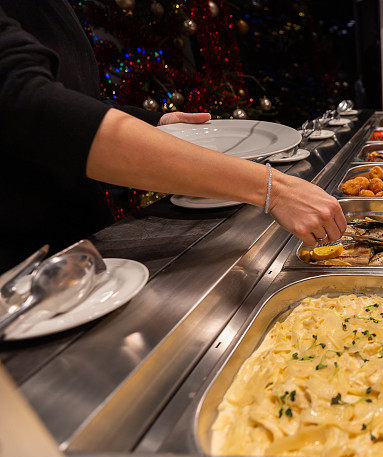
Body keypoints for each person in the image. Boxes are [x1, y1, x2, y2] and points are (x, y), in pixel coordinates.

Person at [0, 0, 345, 271]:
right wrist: (273, 188)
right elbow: (29, 107)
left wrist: (155, 123)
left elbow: (71, 98)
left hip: (76, 250)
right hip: (18, 270)